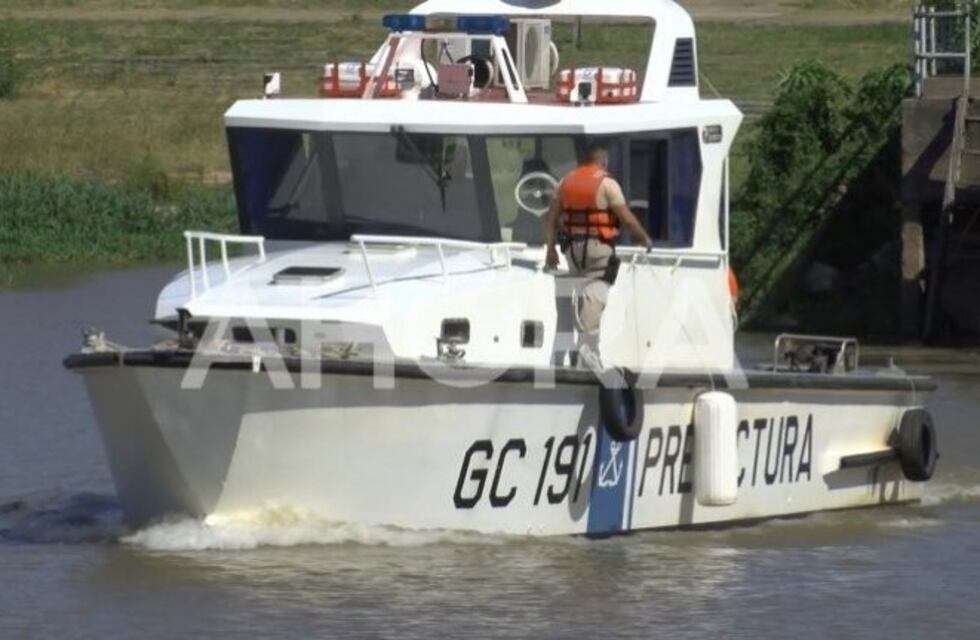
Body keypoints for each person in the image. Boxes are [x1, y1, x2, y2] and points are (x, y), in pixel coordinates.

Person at [543, 144, 653, 366]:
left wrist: (551, 251)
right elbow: (627, 219)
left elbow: (551, 219)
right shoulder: (607, 184)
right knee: (595, 296)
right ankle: (588, 353)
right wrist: (645, 239)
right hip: (598, 252)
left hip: (572, 252)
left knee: (578, 293)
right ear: (603, 163)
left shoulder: (565, 183)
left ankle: (571, 352)